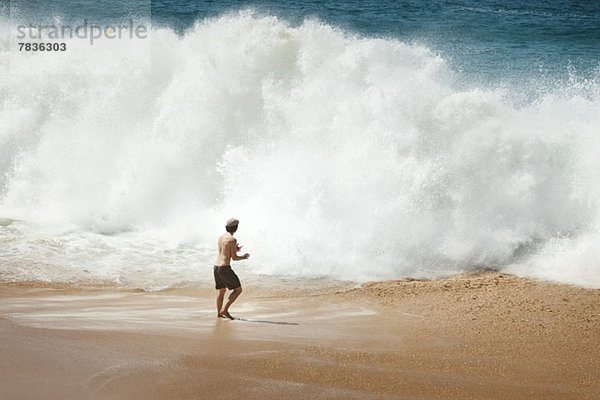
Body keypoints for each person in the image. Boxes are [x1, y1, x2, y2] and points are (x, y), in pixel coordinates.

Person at [214, 218, 249, 320]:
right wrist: (243, 256)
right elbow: (234, 258)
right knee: (238, 290)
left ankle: (219, 313)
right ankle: (224, 310)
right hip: (224, 268)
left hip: (216, 267)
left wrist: (234, 249)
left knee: (221, 291)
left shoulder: (221, 237)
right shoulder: (232, 240)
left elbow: (224, 251)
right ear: (236, 228)